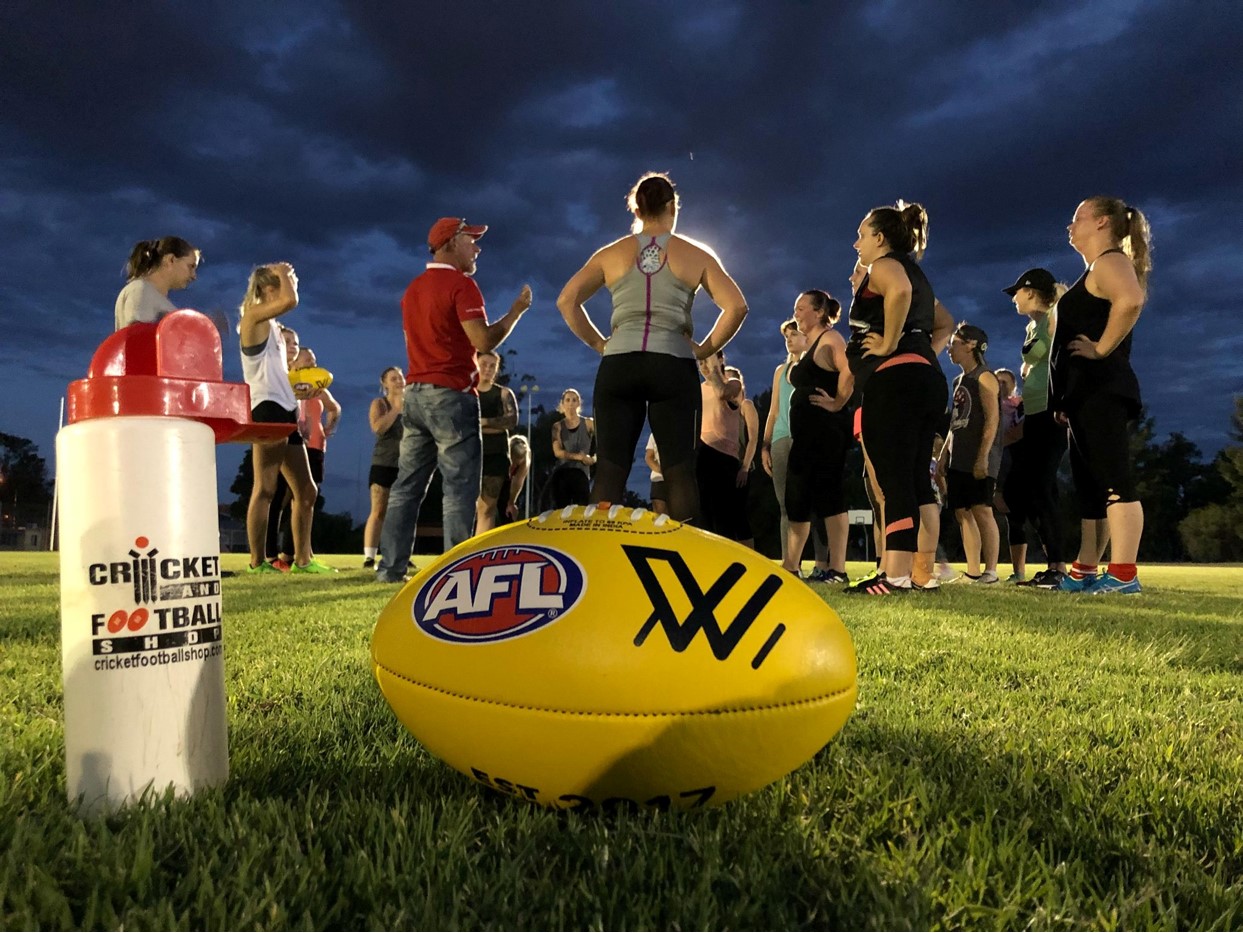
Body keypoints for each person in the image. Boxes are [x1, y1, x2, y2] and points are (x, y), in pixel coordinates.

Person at [556, 171, 748, 524]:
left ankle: (599, 560)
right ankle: (688, 565)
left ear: (637, 209)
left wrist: (599, 342)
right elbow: (736, 307)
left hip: (619, 364)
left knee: (610, 470)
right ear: (672, 207)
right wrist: (705, 350)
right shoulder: (694, 254)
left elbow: (567, 300)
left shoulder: (612, 253)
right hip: (672, 363)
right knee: (679, 472)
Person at [376, 217, 532, 583]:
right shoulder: (462, 285)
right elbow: (483, 341)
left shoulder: (412, 289)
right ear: (449, 244)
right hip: (450, 396)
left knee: (406, 487)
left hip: (414, 395)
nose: (477, 247)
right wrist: (517, 311)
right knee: (459, 490)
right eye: (470, 240)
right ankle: (457, 573)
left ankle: (390, 569)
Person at [843, 201, 954, 595]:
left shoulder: (885, 266)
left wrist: (891, 344)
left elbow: (899, 291)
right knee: (916, 482)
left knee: (894, 482)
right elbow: (946, 324)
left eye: (861, 234)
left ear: (879, 236)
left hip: (895, 384)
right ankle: (920, 574)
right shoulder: (918, 273)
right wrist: (919, 352)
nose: (856, 243)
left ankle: (895, 576)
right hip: (927, 379)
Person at [1050, 197, 1151, 594]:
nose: (1070, 226)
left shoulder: (1110, 261)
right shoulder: (1094, 269)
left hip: (1103, 390)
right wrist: (1064, 399)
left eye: (1077, 218)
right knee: (1090, 487)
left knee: (1113, 480)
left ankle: (1124, 573)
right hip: (1083, 395)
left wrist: (1102, 348)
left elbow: (1132, 301)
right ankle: (1085, 569)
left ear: (1102, 222)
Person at [237, 264, 329, 574]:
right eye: (284, 284)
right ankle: (256, 563)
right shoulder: (253, 316)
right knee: (265, 487)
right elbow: (292, 301)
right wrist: (285, 273)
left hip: (285, 409)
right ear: (267, 290)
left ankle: (303, 560)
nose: (291, 287)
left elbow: (273, 374)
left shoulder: (273, 326)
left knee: (306, 490)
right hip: (266, 410)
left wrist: (296, 390)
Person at [1003, 268, 1069, 589]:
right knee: (1029, 489)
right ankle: (1053, 564)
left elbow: (1043, 355)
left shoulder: (1051, 319)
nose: (1013, 298)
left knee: (1042, 487)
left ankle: (1058, 566)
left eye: (1016, 292)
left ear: (1030, 292)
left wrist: (1029, 364)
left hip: (1050, 413)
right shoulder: (1034, 325)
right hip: (1035, 413)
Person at [780, 291, 853, 582]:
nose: (796, 313)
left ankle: (838, 569)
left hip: (826, 432)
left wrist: (837, 402)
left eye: (801, 308)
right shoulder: (809, 345)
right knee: (797, 498)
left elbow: (849, 372)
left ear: (819, 312)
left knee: (830, 496)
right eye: (795, 307)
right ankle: (791, 566)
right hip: (805, 436)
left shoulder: (831, 339)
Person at [760, 319, 832, 577]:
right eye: (786, 336)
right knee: (785, 505)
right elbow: (773, 411)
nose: (789, 339)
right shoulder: (781, 370)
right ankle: (791, 566)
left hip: (809, 438)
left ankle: (823, 565)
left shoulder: (815, 366)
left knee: (812, 503)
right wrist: (765, 445)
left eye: (795, 334)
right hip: (781, 439)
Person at [267, 345, 340, 571]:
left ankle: (296, 553)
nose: (311, 363)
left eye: (313, 360)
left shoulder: (319, 387)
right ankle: (273, 554)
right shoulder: (288, 381)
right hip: (292, 443)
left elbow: (334, 408)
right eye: (306, 359)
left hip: (315, 447)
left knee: (307, 498)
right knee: (281, 497)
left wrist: (329, 426)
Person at [942, 323, 1002, 584]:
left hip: (978, 456)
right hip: (959, 457)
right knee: (961, 511)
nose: (949, 348)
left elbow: (992, 421)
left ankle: (990, 571)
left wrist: (983, 457)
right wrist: (944, 454)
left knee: (982, 509)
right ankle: (973, 570)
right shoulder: (958, 381)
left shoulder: (985, 377)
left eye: (954, 343)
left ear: (971, 345)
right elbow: (955, 422)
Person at [696, 352, 749, 540]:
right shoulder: (697, 389)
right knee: (704, 517)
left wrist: (715, 370)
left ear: (720, 360)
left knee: (725, 519)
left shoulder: (733, 383)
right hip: (701, 456)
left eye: (707, 361)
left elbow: (722, 393)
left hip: (725, 459)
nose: (704, 366)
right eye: (701, 362)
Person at [362, 366, 405, 569]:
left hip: (407, 465)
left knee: (402, 512)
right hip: (383, 462)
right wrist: (396, 409)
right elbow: (378, 428)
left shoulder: (413, 405)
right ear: (384, 384)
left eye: (400, 377)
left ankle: (399, 554)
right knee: (378, 510)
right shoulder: (380, 404)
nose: (398, 381)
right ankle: (370, 557)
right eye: (393, 378)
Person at [475, 351, 519, 533]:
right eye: (484, 363)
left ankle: (478, 551)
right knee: (467, 507)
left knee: (487, 508)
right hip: (469, 455)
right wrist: (494, 424)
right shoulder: (466, 394)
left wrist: (483, 422)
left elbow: (511, 421)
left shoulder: (503, 393)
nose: (487, 369)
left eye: (492, 365)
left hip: (496, 456)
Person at [115, 237, 199, 330]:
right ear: (170, 260)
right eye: (190, 266)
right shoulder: (141, 290)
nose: (194, 276)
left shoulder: (149, 294)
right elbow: (139, 338)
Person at [993, 367, 1026, 581]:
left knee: (1019, 518)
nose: (1002, 386)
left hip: (1013, 459)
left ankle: (1020, 571)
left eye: (1006, 382)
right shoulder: (989, 404)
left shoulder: (1018, 406)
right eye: (999, 382)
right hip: (993, 459)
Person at [724, 364, 759, 549]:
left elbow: (753, 439)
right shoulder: (724, 410)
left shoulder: (746, 406)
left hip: (741, 466)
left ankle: (749, 554)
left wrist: (745, 467)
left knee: (739, 514)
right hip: (726, 466)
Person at [549, 388, 596, 508]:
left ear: (579, 403)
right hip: (563, 473)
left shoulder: (589, 423)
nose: (571, 403)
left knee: (581, 510)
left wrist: (593, 459)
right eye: (568, 400)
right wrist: (578, 457)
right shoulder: (558, 426)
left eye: (574, 400)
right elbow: (557, 452)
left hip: (582, 474)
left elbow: (603, 445)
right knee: (560, 509)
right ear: (562, 404)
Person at [644, 433, 667, 515]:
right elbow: (648, 457)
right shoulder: (654, 435)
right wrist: (663, 471)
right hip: (659, 480)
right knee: (660, 518)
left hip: (679, 482)